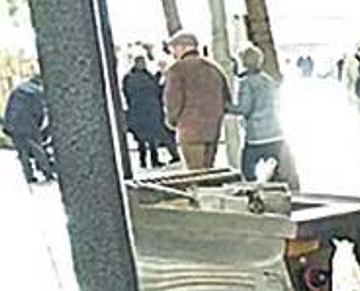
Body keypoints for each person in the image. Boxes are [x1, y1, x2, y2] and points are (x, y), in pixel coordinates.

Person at [225, 45, 294, 185]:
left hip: (257, 136)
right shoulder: (267, 79)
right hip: (275, 132)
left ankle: (255, 195)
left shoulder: (246, 82)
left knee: (247, 170)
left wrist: (225, 106)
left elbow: (244, 108)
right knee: (275, 170)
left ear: (243, 62)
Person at [163, 31, 231, 170]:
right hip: (213, 128)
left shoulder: (176, 70)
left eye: (174, 49)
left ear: (182, 47)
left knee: (194, 173)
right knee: (209, 169)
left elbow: (173, 100)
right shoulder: (214, 68)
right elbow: (226, 98)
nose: (173, 53)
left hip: (190, 129)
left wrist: (172, 121)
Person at [122, 53, 176, 168]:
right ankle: (145, 161)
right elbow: (150, 90)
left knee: (151, 138)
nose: (142, 64)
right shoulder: (132, 77)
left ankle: (153, 160)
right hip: (141, 111)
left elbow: (155, 89)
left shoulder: (145, 76)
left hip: (149, 111)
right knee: (143, 138)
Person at [2, 74, 55, 183]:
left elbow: (8, 108)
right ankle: (47, 173)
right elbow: (39, 112)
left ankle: (29, 176)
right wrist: (40, 127)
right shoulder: (37, 93)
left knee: (22, 152)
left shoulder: (17, 90)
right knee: (37, 149)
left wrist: (7, 125)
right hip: (28, 125)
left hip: (13, 125)